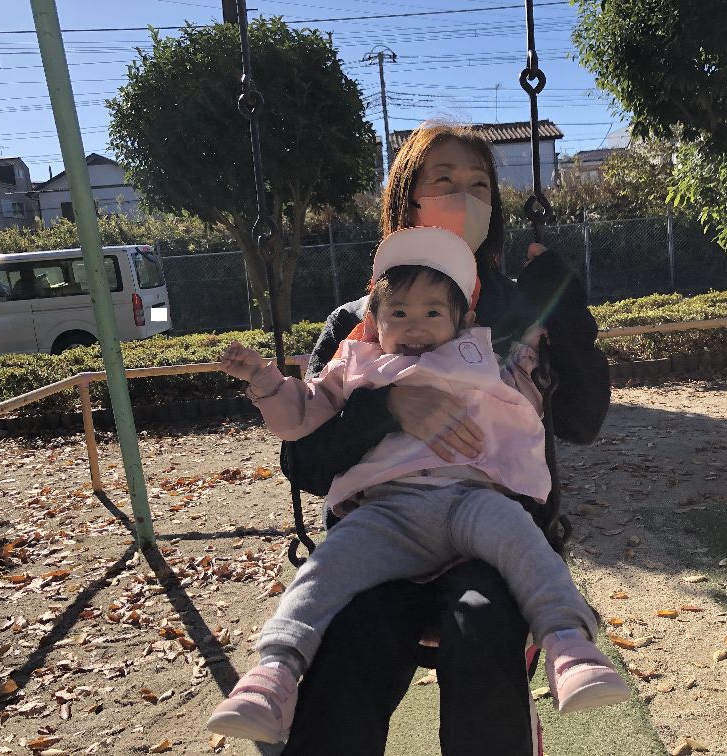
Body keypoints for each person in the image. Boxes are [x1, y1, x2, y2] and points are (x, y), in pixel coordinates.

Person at [207, 227, 629, 743]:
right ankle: (273, 674)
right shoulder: (355, 362)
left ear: (464, 321)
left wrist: (553, 307)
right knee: (323, 573)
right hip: (387, 512)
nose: (415, 326)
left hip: (472, 498)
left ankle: (569, 644)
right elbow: (300, 417)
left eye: (433, 312)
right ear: (372, 321)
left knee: (525, 544)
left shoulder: (477, 354)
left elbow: (543, 391)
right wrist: (266, 382)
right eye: (399, 313)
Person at [279, 123, 610, 756]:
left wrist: (567, 312)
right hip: (381, 533)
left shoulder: (523, 308)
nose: (465, 198)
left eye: (480, 185)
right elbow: (306, 464)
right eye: (445, 182)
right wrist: (386, 407)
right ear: (407, 202)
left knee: (482, 621)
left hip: (489, 534)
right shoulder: (358, 323)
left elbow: (582, 421)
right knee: (349, 641)